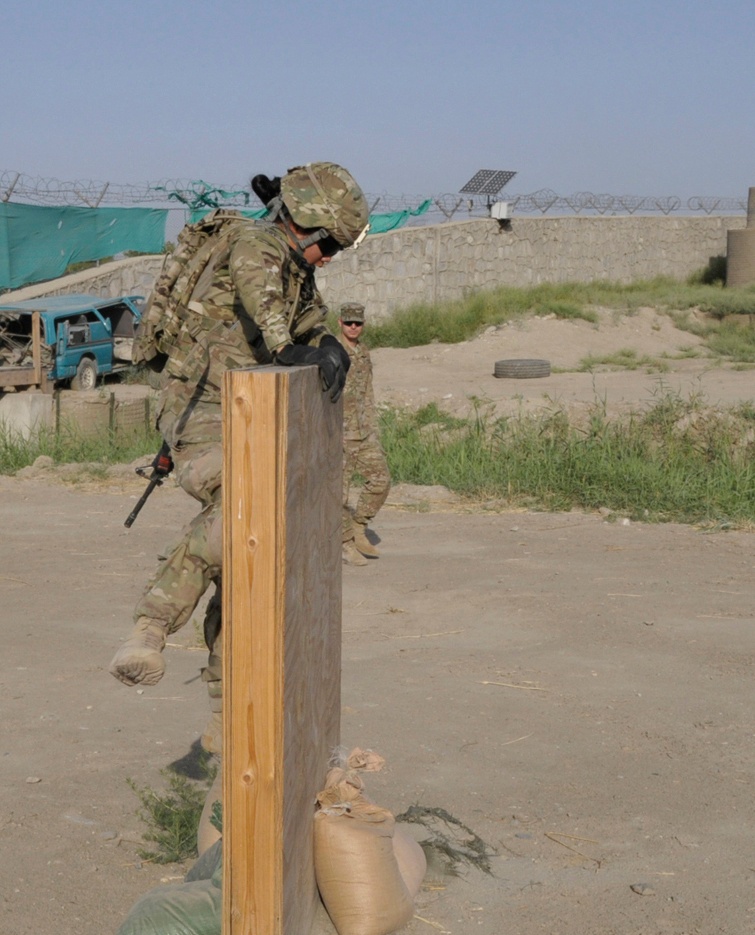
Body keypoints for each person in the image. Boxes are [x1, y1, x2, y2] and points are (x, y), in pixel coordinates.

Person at [109, 162, 370, 752]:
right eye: (326, 243)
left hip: (252, 420)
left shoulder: (293, 266)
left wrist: (324, 339)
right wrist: (290, 347)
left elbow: (302, 317)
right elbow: (267, 307)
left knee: (252, 564)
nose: (328, 256)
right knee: (244, 501)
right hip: (202, 422)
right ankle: (150, 627)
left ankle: (226, 710)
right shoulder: (255, 243)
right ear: (302, 224)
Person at [337, 302, 391, 566]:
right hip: (340, 434)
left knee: (381, 481)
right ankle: (345, 545)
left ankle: (358, 527)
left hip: (363, 431)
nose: (354, 327)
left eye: (358, 323)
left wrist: (372, 428)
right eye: (349, 323)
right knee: (339, 494)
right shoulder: (332, 351)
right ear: (340, 323)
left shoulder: (363, 352)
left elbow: (367, 391)